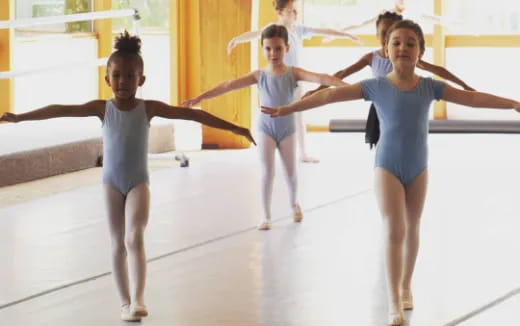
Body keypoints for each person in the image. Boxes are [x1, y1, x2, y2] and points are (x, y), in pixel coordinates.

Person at [262, 20, 520, 325]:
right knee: (394, 228)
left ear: (421, 52)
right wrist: (288, 109)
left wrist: (513, 103)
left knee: (413, 227)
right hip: (387, 167)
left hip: (418, 168)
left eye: (411, 43)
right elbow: (329, 96)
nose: (403, 48)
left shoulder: (429, 86)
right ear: (386, 49)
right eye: (396, 42)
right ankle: (394, 300)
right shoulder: (376, 86)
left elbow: (473, 99)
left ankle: (406, 284)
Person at [0, 31, 255, 322]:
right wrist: (21, 117)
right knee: (116, 242)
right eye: (117, 76)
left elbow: (195, 116)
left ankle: (138, 299)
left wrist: (236, 129)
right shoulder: (102, 108)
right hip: (111, 184)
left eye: (130, 76)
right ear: (108, 79)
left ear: (141, 80)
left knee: (134, 238)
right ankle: (124, 303)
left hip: (137, 183)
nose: (123, 82)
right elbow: (60, 110)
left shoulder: (149, 108)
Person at [184, 24, 346, 230]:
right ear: (262, 49)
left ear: (287, 48)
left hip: (287, 129)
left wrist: (351, 89)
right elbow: (228, 85)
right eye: (268, 48)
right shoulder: (259, 75)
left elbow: (322, 78)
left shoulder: (293, 73)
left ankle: (294, 203)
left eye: (278, 48)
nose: (273, 53)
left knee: (290, 172)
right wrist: (200, 97)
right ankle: (266, 216)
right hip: (265, 128)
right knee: (267, 172)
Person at [306, 11, 475, 148]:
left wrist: (464, 85)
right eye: (382, 33)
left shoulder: (406, 56)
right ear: (378, 35)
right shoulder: (371, 57)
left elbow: (439, 70)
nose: (384, 36)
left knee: (406, 140)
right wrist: (317, 89)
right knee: (382, 142)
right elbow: (342, 73)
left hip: (405, 105)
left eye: (389, 33)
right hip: (381, 107)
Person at [228, 0, 361, 163]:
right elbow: (255, 34)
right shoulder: (273, 30)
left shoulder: (298, 30)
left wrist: (347, 34)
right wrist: (236, 39)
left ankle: (303, 153)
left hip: (295, 80)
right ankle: (266, 147)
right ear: (280, 12)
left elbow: (322, 30)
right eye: (291, 11)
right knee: (269, 113)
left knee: (298, 115)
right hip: (276, 80)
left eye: (296, 11)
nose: (295, 14)